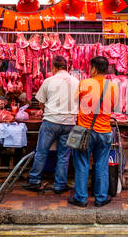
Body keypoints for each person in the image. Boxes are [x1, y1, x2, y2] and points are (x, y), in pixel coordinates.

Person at [23, 56, 80, 194]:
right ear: (67, 67)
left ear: (54, 68)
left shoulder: (49, 81)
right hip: (69, 123)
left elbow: (41, 102)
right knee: (63, 155)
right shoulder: (76, 81)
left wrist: (44, 109)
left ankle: (35, 181)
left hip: (51, 122)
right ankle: (60, 185)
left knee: (41, 153)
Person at [68, 56, 119, 208]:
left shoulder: (84, 83)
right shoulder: (113, 86)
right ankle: (101, 198)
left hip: (85, 131)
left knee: (82, 164)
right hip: (104, 131)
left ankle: (81, 198)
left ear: (94, 69)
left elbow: (74, 101)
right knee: (101, 165)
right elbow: (114, 107)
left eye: (91, 68)